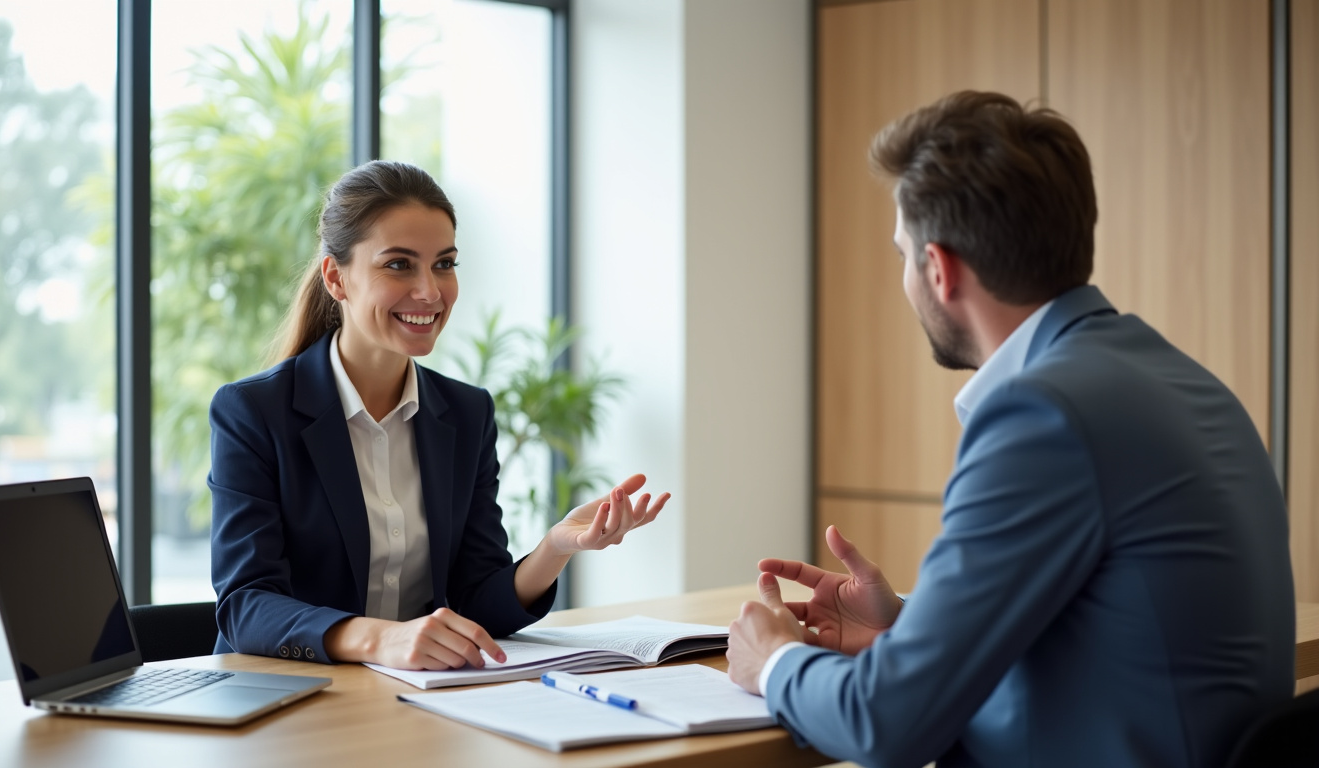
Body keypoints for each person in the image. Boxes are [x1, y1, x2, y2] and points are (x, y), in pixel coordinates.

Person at [726, 92, 1295, 768]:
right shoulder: (1184, 383)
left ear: (940, 269)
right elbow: (1112, 627)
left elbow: (886, 726)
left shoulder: (1044, 413)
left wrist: (774, 661)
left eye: (904, 255)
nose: (906, 278)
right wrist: (910, 627)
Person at [209, 160, 669, 670]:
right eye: (399, 265)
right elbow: (246, 605)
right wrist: (382, 639)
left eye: (444, 264)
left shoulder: (467, 413)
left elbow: (475, 598)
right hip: (290, 701)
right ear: (337, 278)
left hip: (419, 697)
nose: (430, 291)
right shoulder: (253, 412)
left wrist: (556, 546)